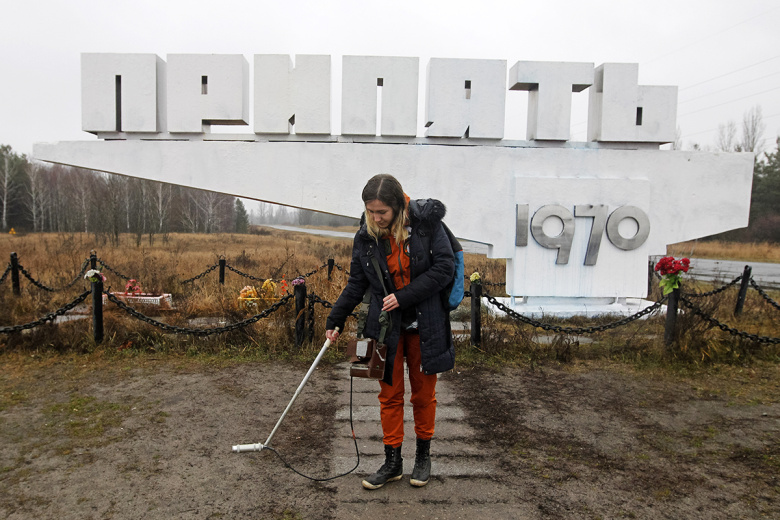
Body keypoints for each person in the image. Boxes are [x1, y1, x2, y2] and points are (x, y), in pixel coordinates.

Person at [326, 173, 455, 490]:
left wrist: (404, 296)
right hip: (385, 327)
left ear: (398, 207)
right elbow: (357, 283)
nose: (375, 218)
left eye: (381, 212)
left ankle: (422, 457)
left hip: (427, 325)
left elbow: (444, 269)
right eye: (370, 211)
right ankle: (392, 461)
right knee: (389, 394)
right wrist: (336, 319)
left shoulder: (427, 226)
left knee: (423, 395)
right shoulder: (366, 236)